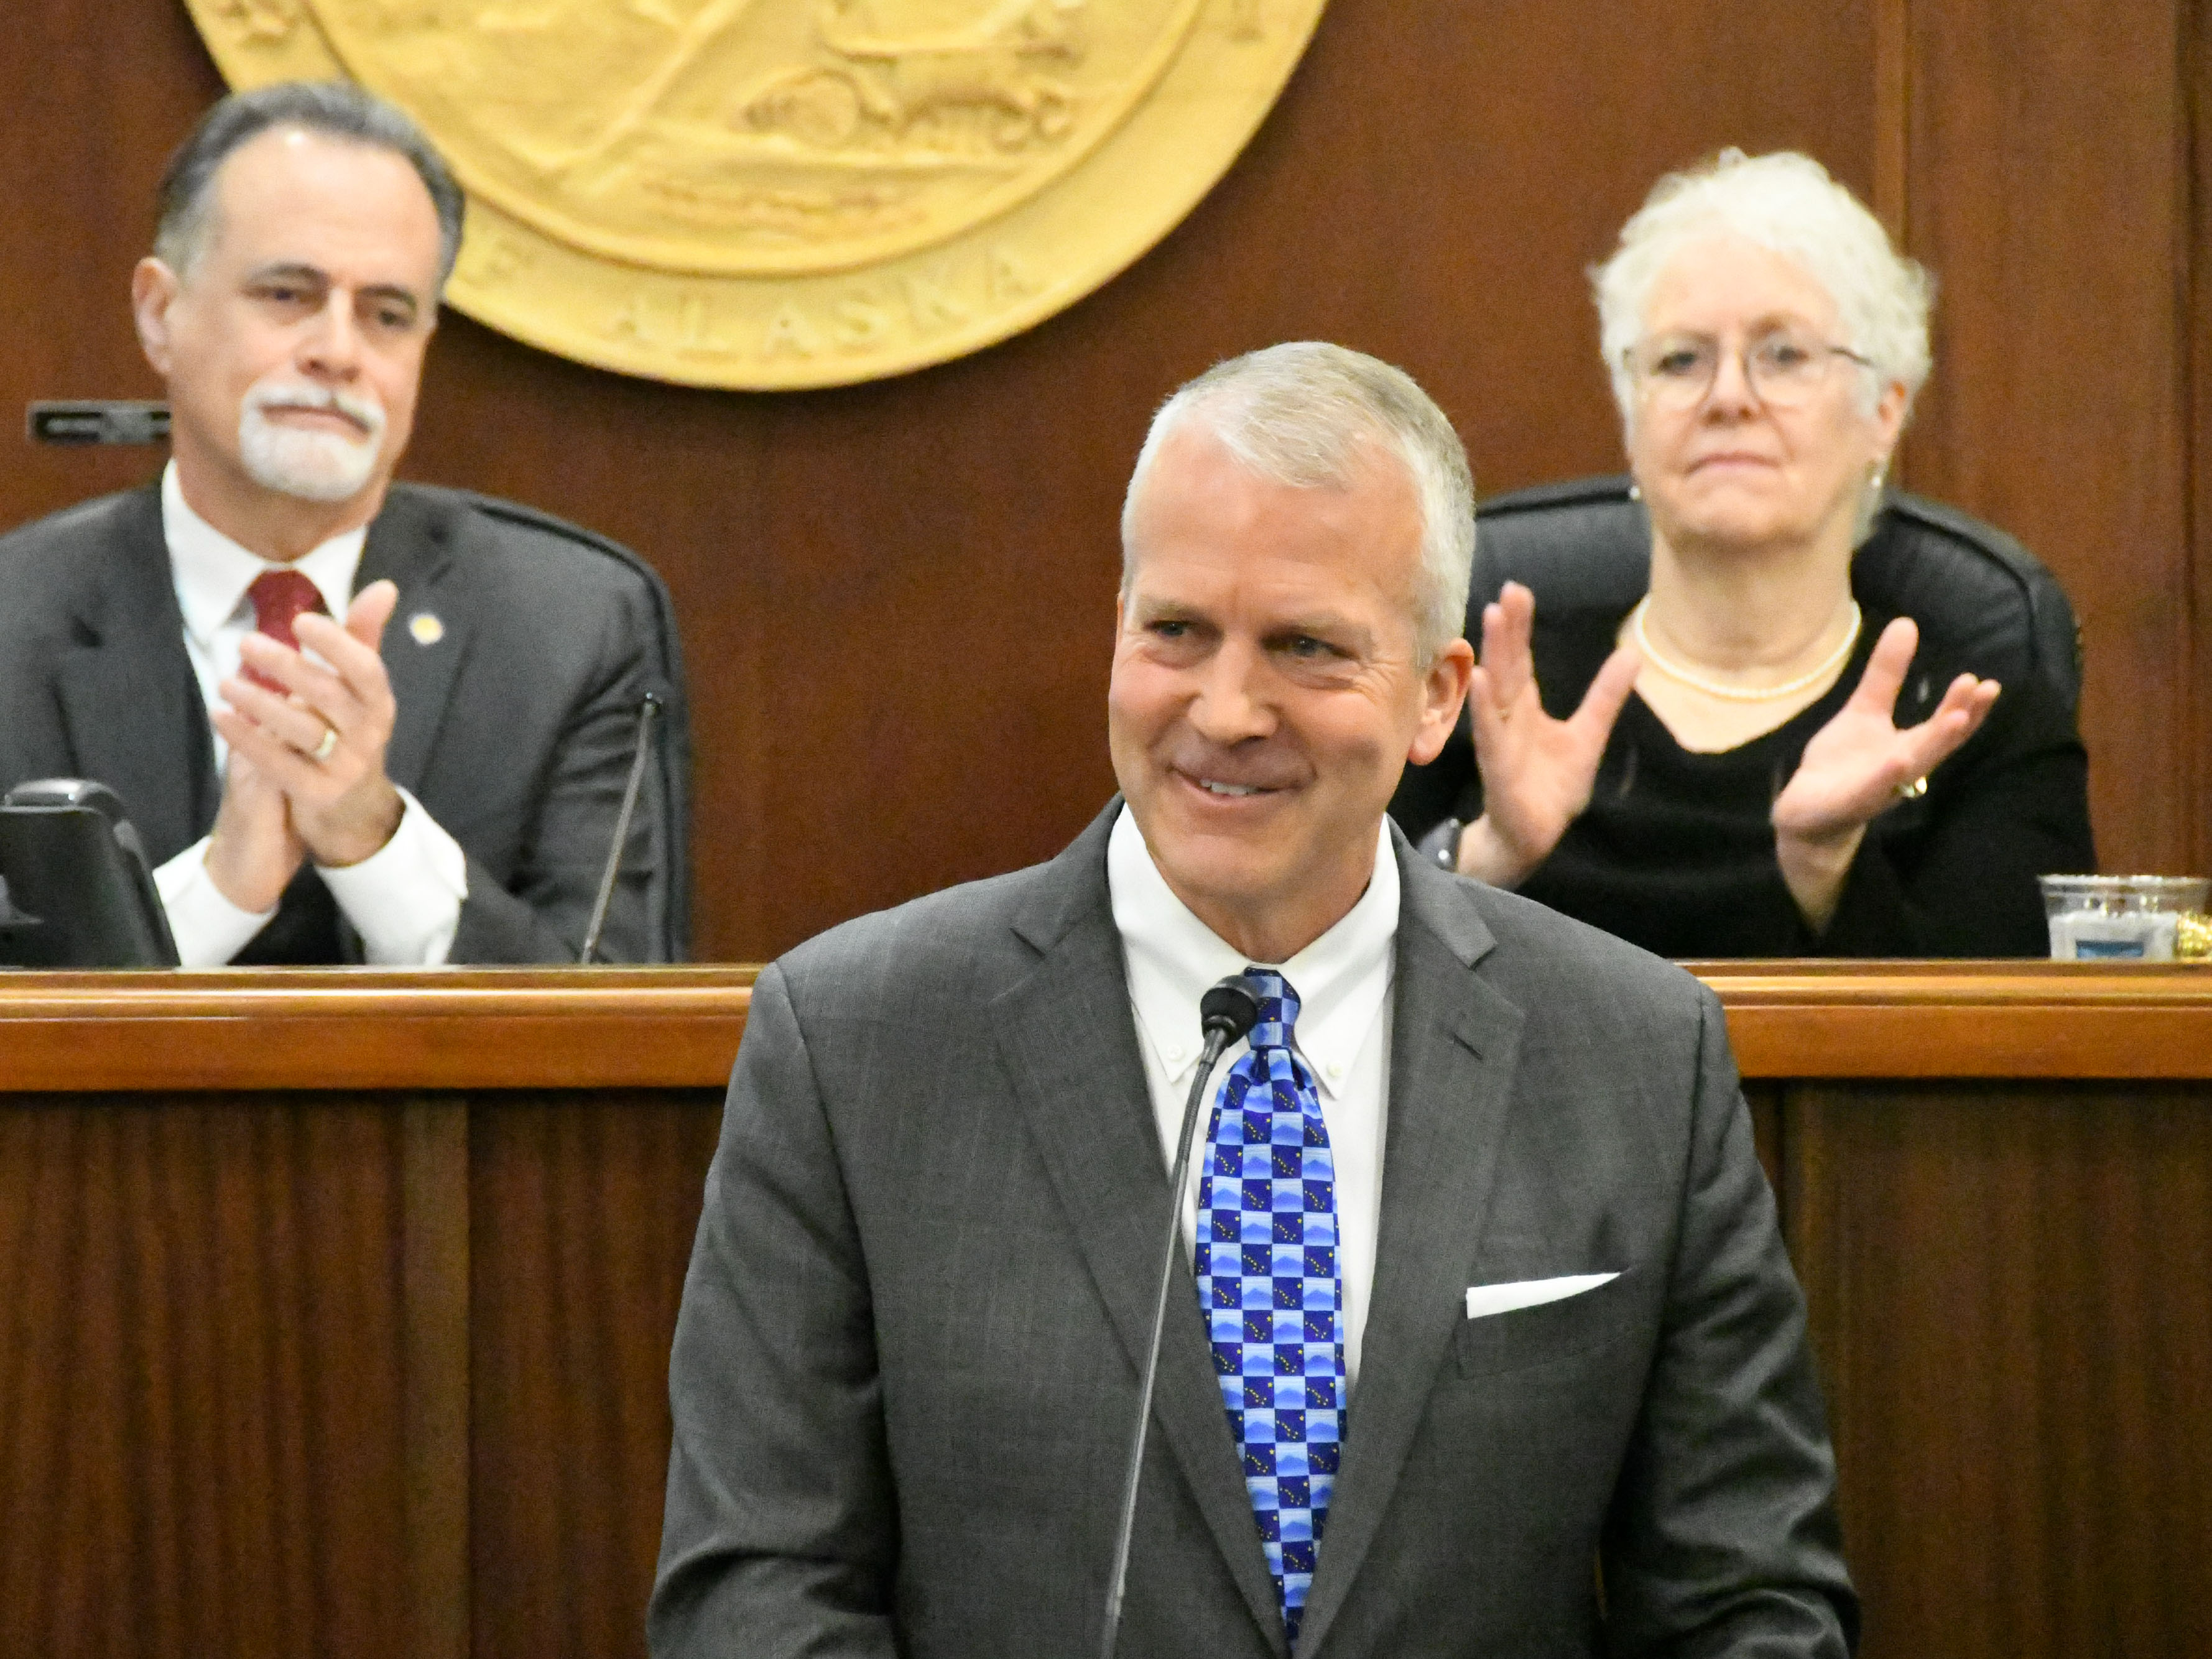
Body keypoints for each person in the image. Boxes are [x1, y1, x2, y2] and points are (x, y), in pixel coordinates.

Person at [651, 343, 1853, 1657]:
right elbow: (757, 1597)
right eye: (1176, 631)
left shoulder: (1634, 1055)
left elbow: (1748, 1604)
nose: (1225, 710)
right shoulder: (856, 1044)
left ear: (1437, 695)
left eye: (1305, 646)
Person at [0, 81, 687, 964]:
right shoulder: (14, 620)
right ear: (160, 314)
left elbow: (619, 1029)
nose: (338, 351)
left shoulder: (574, 625)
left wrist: (374, 840)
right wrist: (218, 892)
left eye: (387, 314)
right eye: (288, 294)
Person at [1400, 150, 2093, 957]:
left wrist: (1828, 866)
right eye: (1680, 360)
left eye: (1784, 355)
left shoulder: (1971, 724)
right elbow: (1327, 987)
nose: (1727, 397)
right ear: (1631, 418)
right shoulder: (1488, 700)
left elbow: (2014, 1058)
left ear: (1883, 413)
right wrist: (1486, 859)